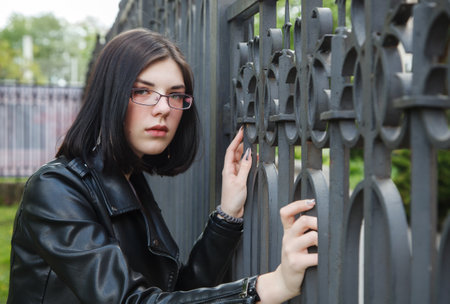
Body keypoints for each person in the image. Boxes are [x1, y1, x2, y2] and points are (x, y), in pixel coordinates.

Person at [7, 28, 318, 303]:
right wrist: (270, 286)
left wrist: (227, 217)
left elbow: (174, 292)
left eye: (176, 95)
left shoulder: (130, 181)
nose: (163, 109)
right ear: (110, 98)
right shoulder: (56, 190)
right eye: (142, 91)